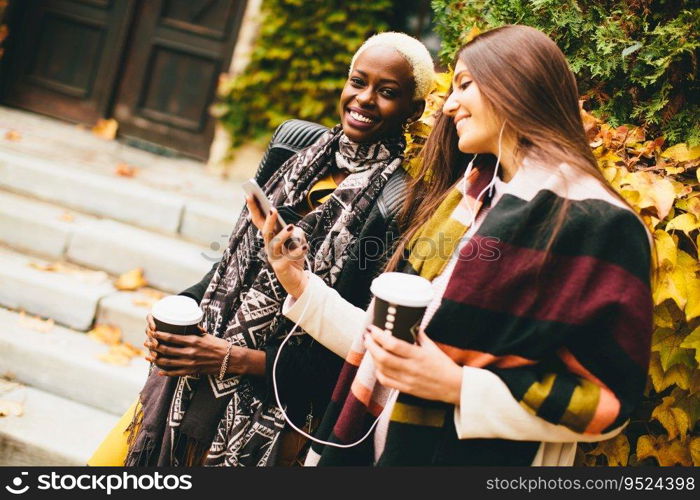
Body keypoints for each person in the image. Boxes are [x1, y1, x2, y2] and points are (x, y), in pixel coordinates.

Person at [250, 25, 654, 466]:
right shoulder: (467, 200)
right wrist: (297, 280)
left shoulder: (598, 223)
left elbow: (608, 400)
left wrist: (460, 387)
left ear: (514, 84)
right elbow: (385, 350)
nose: (449, 105)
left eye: (464, 85)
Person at [87, 32, 435, 467]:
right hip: (187, 386)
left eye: (387, 92)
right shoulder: (295, 153)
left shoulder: (398, 205)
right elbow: (230, 271)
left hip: (272, 422)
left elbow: (351, 356)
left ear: (413, 109)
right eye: (357, 82)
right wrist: (178, 309)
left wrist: (234, 359)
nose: (364, 99)